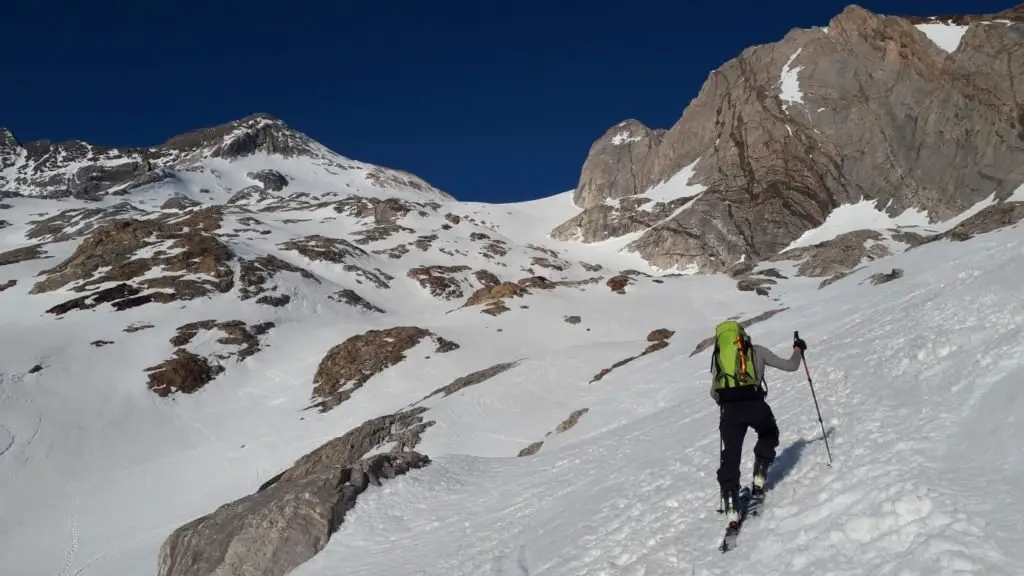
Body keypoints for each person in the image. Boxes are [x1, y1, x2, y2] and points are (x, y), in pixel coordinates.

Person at [708, 320, 806, 526]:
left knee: (730, 456)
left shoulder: (719, 358)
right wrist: (798, 349)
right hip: (755, 406)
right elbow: (791, 366)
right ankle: (760, 475)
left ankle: (731, 505)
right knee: (769, 433)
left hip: (730, 412)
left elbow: (714, 393)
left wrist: (728, 399)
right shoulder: (757, 351)